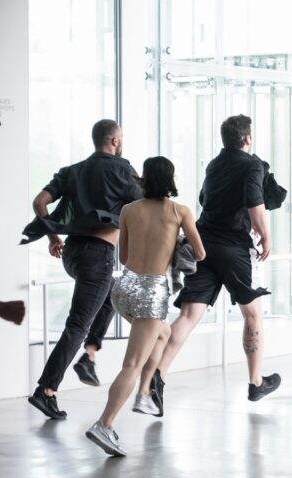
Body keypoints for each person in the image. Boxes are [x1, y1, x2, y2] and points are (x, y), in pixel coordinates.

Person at [150, 114, 280, 411]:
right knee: (252, 314)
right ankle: (256, 382)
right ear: (247, 138)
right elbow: (255, 203)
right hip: (234, 249)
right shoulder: (252, 165)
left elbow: (203, 199)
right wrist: (266, 236)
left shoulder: (214, 164)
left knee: (189, 314)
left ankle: (158, 374)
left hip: (203, 245)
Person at [21, 119, 142, 420]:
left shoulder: (72, 171)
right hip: (97, 256)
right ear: (114, 141)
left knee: (112, 295)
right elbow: (145, 204)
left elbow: (39, 203)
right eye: (121, 138)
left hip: (72, 253)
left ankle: (89, 354)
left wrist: (53, 237)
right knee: (77, 324)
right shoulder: (122, 169)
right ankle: (46, 390)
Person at [85, 157, 205, 456]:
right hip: (151, 293)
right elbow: (200, 253)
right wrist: (175, 243)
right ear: (170, 179)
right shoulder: (179, 211)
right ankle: (104, 424)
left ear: (144, 179)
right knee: (132, 364)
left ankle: (143, 393)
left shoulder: (128, 209)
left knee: (163, 334)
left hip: (124, 289)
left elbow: (124, 257)